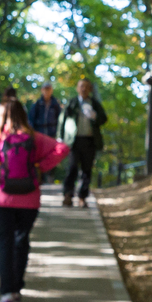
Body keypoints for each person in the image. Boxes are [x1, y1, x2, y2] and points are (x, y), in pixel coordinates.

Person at [0, 98, 68, 302]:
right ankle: (17, 288)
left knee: (4, 244)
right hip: (29, 199)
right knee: (21, 241)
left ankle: (6, 292)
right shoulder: (35, 138)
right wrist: (40, 168)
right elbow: (62, 148)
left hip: (2, 199)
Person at [58, 79, 110, 209]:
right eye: (81, 86)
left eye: (87, 87)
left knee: (87, 170)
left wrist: (95, 117)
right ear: (77, 88)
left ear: (90, 89)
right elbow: (62, 119)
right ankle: (68, 195)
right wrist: (59, 138)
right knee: (72, 167)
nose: (84, 89)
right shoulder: (72, 103)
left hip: (89, 141)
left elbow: (103, 119)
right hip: (74, 141)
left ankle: (82, 197)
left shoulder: (94, 104)